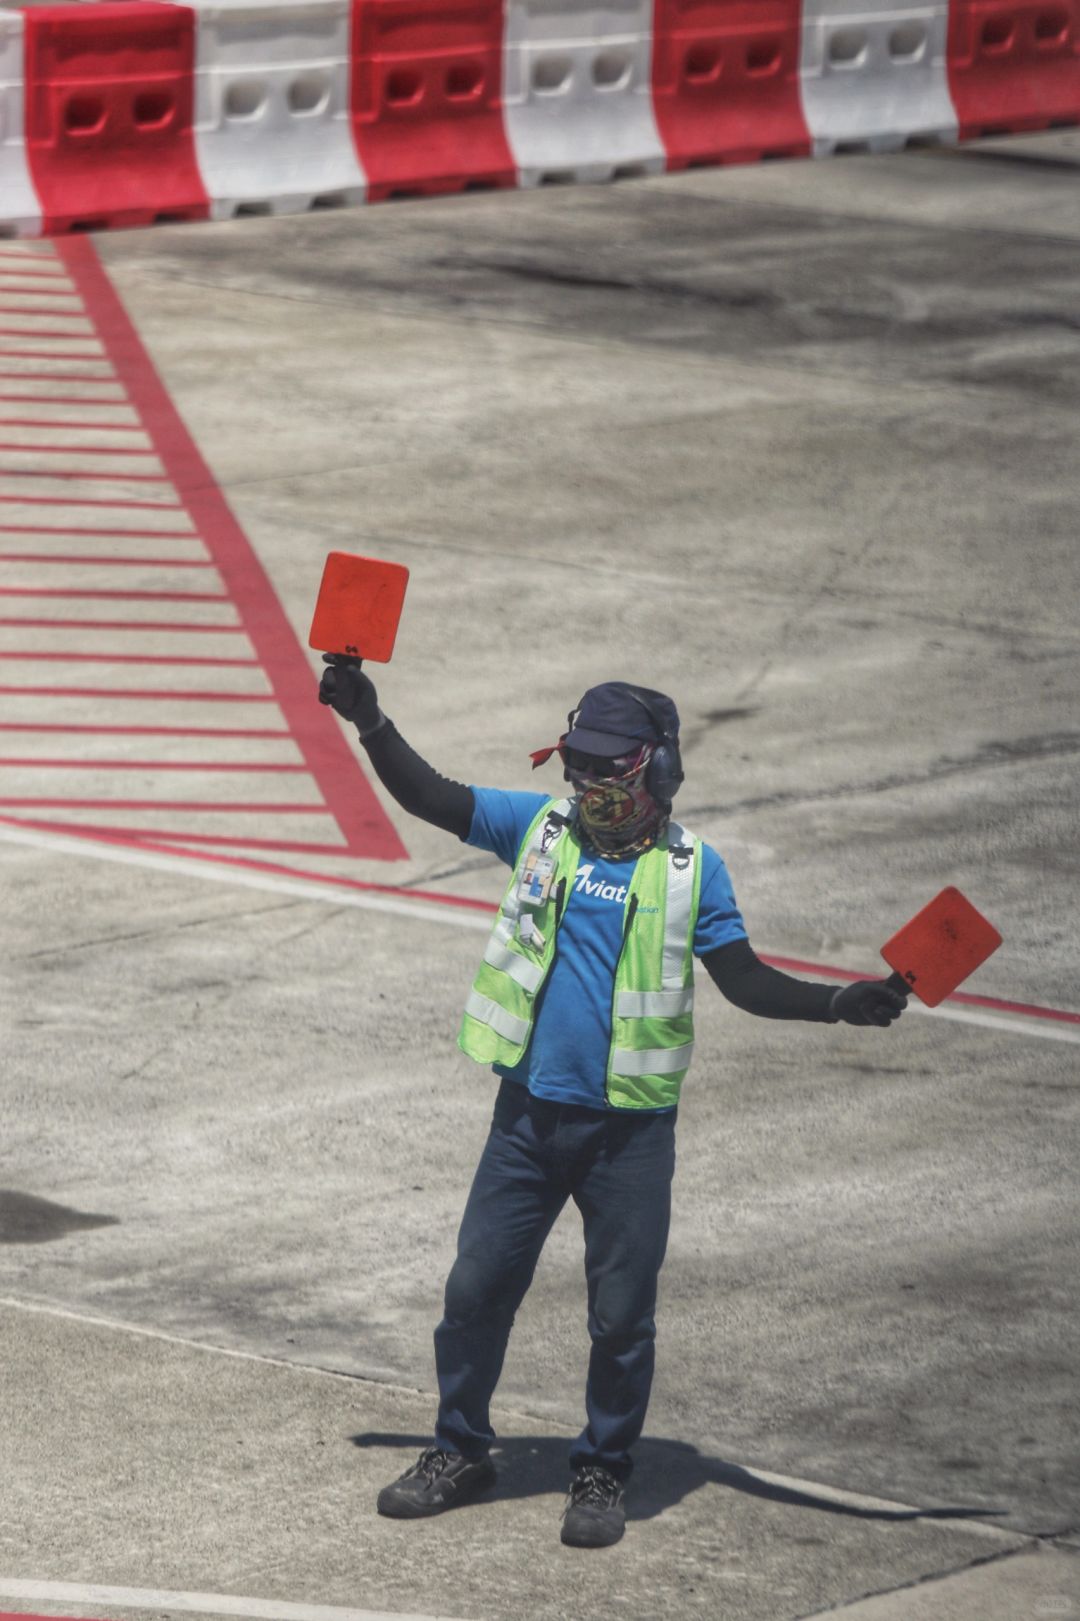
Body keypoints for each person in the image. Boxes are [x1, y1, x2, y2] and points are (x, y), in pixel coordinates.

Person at [318, 660, 907, 1549]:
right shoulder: (540, 827)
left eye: (611, 776)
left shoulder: (691, 871)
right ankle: (458, 1448)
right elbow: (432, 796)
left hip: (628, 1137)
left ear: (659, 772)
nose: (591, 791)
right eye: (580, 772)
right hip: (525, 1121)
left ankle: (602, 1466)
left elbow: (741, 979)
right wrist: (370, 720)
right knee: (474, 1290)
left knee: (622, 1313)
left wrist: (833, 1001)